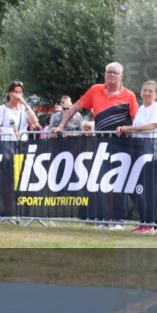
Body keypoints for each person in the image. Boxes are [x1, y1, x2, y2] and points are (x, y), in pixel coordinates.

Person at [53, 62, 138, 227]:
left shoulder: (129, 95)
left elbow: (136, 119)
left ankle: (119, 220)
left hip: (122, 144)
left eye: (114, 73)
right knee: (100, 181)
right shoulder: (95, 90)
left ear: (121, 76)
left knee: (118, 182)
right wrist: (62, 125)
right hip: (101, 144)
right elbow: (75, 107)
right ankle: (102, 220)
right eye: (108, 72)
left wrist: (132, 133)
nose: (111, 75)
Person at [117, 80, 157, 234]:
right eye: (144, 90)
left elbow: (152, 126)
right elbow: (136, 129)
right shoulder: (140, 109)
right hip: (140, 153)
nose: (146, 93)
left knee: (148, 189)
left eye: (150, 91)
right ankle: (144, 222)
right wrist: (123, 130)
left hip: (155, 155)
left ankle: (150, 224)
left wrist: (129, 128)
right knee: (135, 188)